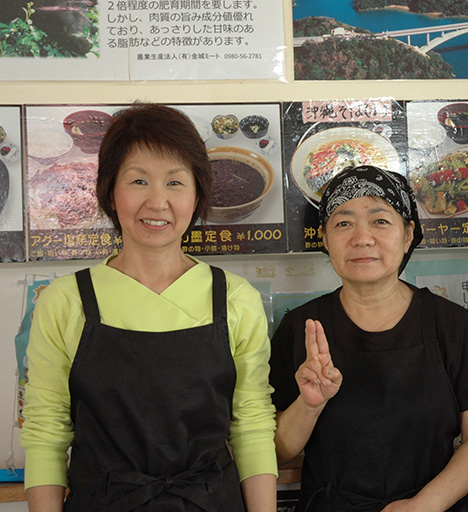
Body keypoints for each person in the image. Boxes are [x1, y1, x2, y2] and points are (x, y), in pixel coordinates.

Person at [20, 104, 277, 512]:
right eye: (138, 180)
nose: (157, 202)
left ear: (197, 194)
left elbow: (252, 424)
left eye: (175, 182)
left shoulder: (234, 297)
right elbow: (46, 431)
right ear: (109, 190)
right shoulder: (65, 301)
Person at [269, 165, 468, 512]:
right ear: (325, 238)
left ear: (408, 233)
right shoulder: (301, 327)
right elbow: (277, 450)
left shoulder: (450, 322)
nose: (362, 238)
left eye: (380, 221)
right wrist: (309, 405)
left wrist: (425, 504)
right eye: (343, 222)